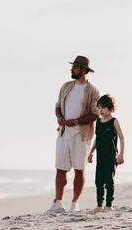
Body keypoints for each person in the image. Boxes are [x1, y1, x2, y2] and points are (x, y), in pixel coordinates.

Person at [47, 55, 100, 213]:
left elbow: (95, 114)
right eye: (72, 67)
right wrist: (59, 117)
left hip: (81, 135)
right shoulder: (66, 86)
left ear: (84, 71)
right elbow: (57, 106)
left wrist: (76, 121)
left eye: (75, 67)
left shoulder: (92, 90)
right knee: (60, 168)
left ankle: (75, 203)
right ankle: (57, 203)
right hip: (63, 133)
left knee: (79, 169)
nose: (72, 69)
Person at [87, 94, 125, 212]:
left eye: (103, 107)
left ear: (111, 108)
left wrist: (121, 154)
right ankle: (99, 205)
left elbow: (122, 137)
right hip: (101, 157)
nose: (101, 110)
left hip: (111, 157)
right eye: (99, 108)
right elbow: (97, 140)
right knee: (98, 181)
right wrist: (91, 152)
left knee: (109, 180)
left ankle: (109, 205)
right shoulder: (98, 122)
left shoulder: (114, 121)